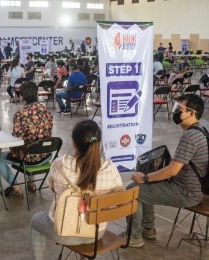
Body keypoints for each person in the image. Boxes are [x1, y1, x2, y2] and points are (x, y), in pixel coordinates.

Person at [29, 120, 123, 259]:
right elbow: (120, 201)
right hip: (96, 233)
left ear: (73, 143)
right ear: (98, 142)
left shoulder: (60, 164)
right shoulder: (110, 169)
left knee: (35, 220)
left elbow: (53, 188)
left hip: (63, 232)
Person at [127, 94, 208, 247]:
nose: (175, 111)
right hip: (196, 189)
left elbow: (172, 171)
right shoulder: (201, 130)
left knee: (133, 190)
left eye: (180, 109)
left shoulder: (190, 137)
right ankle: (148, 229)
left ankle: (134, 236)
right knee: (146, 187)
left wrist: (145, 178)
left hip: (186, 192)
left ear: (191, 113)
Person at [0, 81, 53, 196]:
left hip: (29, 159)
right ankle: (31, 182)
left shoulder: (21, 114)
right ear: (36, 94)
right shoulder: (46, 111)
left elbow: (17, 141)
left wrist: (11, 147)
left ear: (21, 96)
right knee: (34, 145)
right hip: (46, 155)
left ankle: (16, 187)